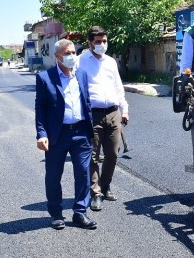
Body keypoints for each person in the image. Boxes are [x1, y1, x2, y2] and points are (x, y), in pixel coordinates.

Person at [35, 39, 96, 231]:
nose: (72, 56)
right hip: (57, 134)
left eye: (73, 52)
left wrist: (90, 129)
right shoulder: (45, 78)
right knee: (53, 175)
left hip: (81, 133)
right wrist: (41, 133)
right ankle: (56, 213)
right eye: (67, 53)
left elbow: (86, 103)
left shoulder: (82, 75)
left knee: (83, 174)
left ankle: (80, 212)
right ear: (58, 56)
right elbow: (40, 108)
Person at [77, 26, 129, 212]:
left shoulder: (110, 62)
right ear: (90, 42)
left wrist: (124, 110)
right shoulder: (80, 61)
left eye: (104, 41)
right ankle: (95, 193)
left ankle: (105, 186)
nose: (102, 45)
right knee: (92, 156)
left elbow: (118, 86)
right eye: (98, 42)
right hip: (92, 115)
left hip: (113, 113)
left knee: (113, 154)